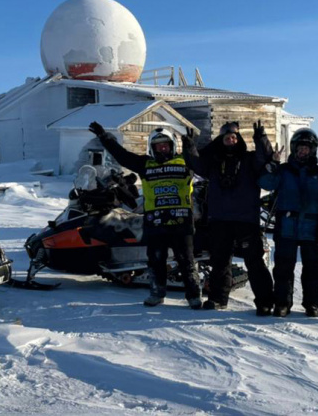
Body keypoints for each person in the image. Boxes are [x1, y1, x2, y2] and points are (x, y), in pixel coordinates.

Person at [88, 121, 203, 309]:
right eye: (158, 146)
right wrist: (104, 137)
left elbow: (199, 164)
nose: (162, 148)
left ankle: (193, 295)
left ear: (173, 145)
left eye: (166, 145)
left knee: (186, 260)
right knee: (156, 259)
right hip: (155, 222)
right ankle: (157, 293)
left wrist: (191, 146)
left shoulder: (185, 162)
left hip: (181, 221)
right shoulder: (145, 164)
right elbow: (122, 156)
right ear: (151, 147)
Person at [183, 121, 274, 315]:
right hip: (220, 219)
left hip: (246, 219)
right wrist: (189, 146)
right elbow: (196, 165)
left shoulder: (249, 159)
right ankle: (217, 299)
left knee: (254, 261)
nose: (231, 141)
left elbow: (265, 158)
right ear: (221, 141)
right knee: (220, 262)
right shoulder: (214, 161)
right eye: (227, 138)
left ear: (239, 139)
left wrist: (261, 138)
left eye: (234, 137)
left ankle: (265, 301)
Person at [258, 128, 318, 318]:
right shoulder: (283, 170)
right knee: (283, 268)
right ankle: (282, 304)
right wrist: (273, 163)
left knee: (313, 270)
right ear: (293, 148)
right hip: (287, 227)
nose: (303, 152)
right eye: (300, 148)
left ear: (313, 150)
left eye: (307, 148)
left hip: (311, 228)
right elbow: (266, 183)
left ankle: (312, 304)